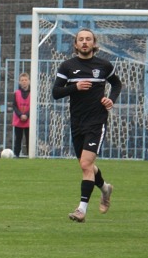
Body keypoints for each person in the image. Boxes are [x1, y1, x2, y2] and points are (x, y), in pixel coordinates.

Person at [52, 28, 122, 223]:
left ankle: (81, 210)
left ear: (94, 43)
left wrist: (111, 99)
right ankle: (105, 188)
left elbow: (117, 84)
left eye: (88, 39)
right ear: (76, 44)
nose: (84, 42)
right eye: (81, 39)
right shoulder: (67, 66)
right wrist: (75, 87)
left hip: (96, 121)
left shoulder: (104, 65)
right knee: (87, 165)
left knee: (85, 164)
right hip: (77, 122)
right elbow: (56, 92)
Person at [11, 72, 31, 157]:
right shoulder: (16, 93)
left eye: (25, 80)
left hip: (29, 120)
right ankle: (16, 155)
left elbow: (33, 106)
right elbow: (14, 106)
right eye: (22, 80)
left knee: (29, 139)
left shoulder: (32, 93)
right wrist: (20, 115)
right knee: (18, 139)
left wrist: (27, 115)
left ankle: (30, 155)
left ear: (29, 81)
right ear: (19, 82)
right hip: (18, 119)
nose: (24, 82)